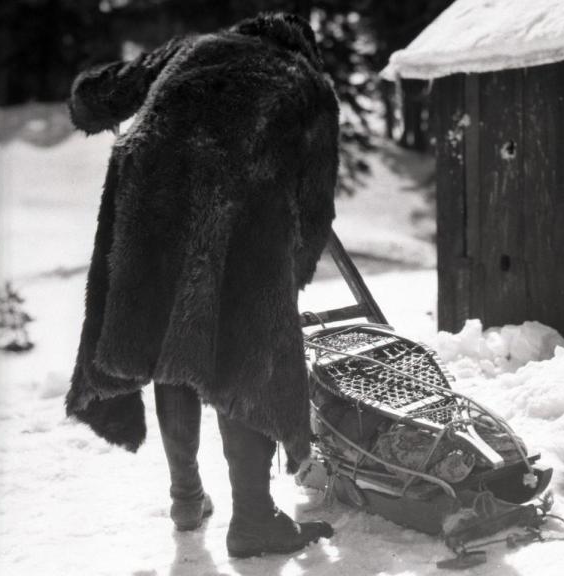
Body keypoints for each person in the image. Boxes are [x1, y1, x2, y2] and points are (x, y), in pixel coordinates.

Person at [64, 13, 338, 557]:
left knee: (174, 342)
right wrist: (286, 281)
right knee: (245, 351)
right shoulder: (308, 83)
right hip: (245, 211)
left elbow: (95, 100)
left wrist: (88, 94)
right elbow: (315, 206)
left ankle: (186, 497)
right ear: (302, 46)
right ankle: (255, 520)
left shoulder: (192, 49)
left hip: (151, 196)